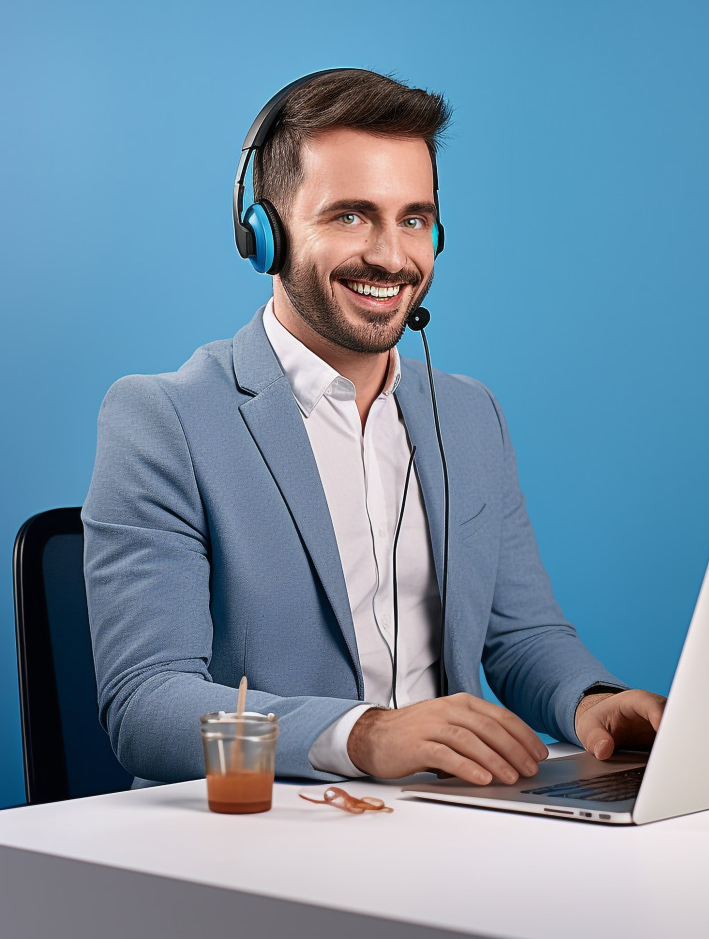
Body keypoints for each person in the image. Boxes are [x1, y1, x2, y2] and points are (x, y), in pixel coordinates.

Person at [83, 69, 666, 787]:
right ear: (264, 234)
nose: (392, 257)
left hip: (460, 822)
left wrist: (592, 704)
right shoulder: (165, 420)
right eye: (350, 215)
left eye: (414, 218)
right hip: (270, 833)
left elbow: (522, 636)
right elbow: (145, 704)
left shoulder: (469, 414)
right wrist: (363, 736)